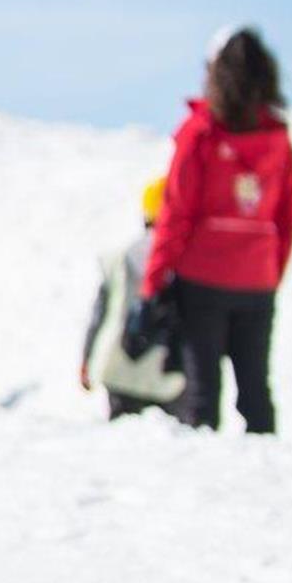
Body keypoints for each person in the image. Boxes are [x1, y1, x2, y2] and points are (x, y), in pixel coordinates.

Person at [136, 29, 292, 436]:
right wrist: (270, 272)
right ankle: (269, 480)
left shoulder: (200, 132)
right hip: (257, 278)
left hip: (203, 276)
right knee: (256, 393)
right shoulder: (277, 138)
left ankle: (205, 486)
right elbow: (287, 216)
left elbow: (176, 212)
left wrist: (153, 281)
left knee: (202, 391)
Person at [79, 176, 186, 422]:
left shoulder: (119, 259)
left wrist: (87, 360)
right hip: (168, 374)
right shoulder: (186, 265)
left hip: (118, 366)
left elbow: (100, 315)